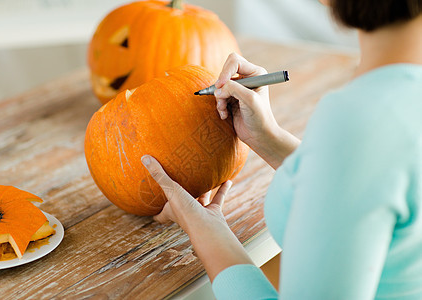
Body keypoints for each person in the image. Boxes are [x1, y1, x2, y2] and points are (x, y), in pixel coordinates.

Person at [141, 0, 422, 298]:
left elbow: (363, 157)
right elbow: (373, 178)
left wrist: (203, 229)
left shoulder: (358, 121)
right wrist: (268, 138)